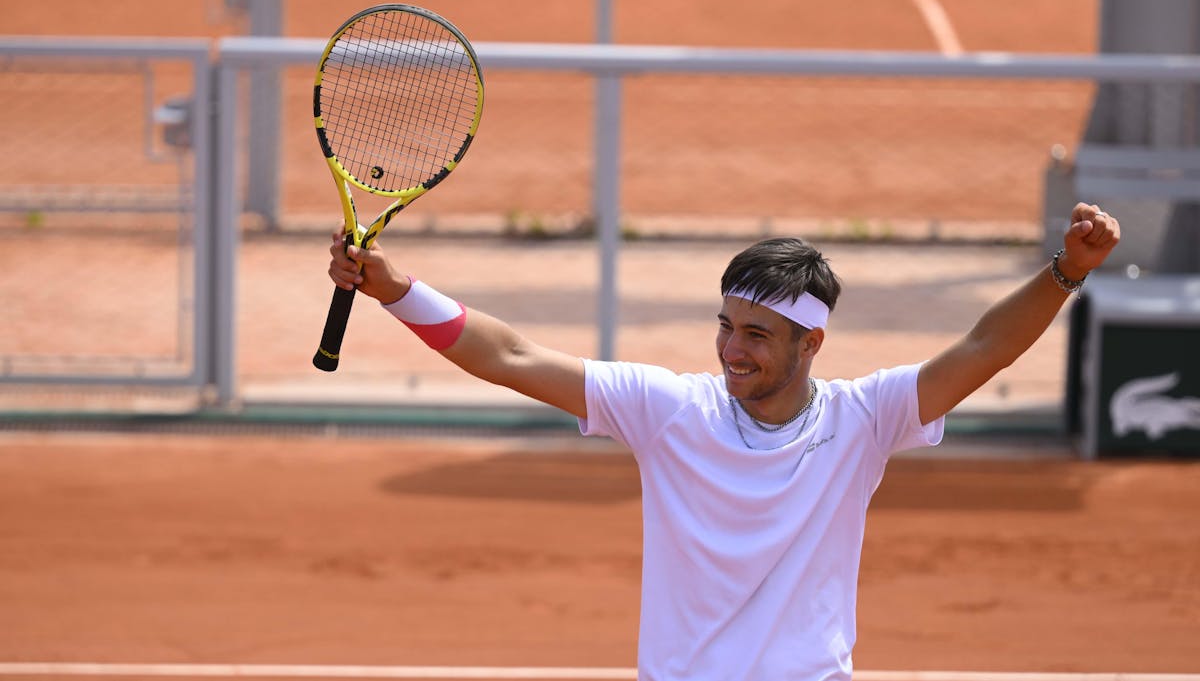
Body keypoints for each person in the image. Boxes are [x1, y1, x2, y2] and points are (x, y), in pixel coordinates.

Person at [326, 202, 1120, 681]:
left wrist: (1065, 270)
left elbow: (986, 348)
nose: (732, 349)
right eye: (726, 326)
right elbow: (512, 356)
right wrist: (397, 289)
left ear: (811, 344)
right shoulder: (669, 409)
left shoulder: (865, 418)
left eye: (757, 335)